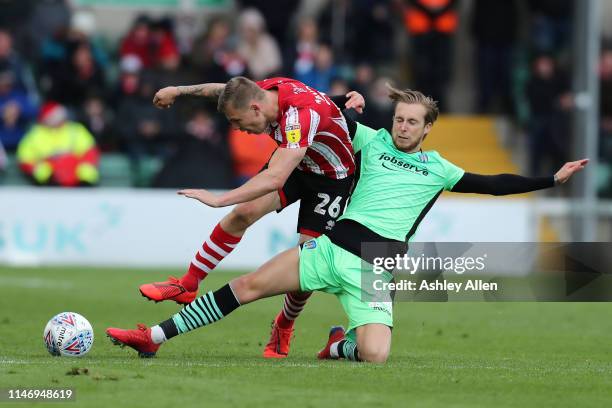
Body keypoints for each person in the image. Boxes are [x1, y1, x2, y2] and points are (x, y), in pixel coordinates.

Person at [107, 86, 587, 362]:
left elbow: (492, 183)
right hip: (330, 249)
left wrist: (550, 178)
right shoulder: (371, 140)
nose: (402, 127)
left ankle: (339, 346)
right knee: (247, 286)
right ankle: (152, 338)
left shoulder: (440, 168)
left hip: (375, 270)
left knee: (375, 356)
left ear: (426, 128)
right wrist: (344, 97)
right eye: (398, 118)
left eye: (412, 122)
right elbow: (322, 113)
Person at [140, 76, 364, 358]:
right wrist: (178, 89)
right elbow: (226, 91)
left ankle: (285, 324)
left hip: (332, 179)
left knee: (308, 259)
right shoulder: (267, 90)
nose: (237, 128)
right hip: (297, 162)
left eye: (237, 121)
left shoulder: (297, 117)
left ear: (256, 109)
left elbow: (276, 177)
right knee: (243, 212)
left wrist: (220, 199)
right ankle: (188, 284)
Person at [17, 101, 99, 187]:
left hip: (77, 177)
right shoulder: (35, 134)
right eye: (52, 116)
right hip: (48, 180)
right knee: (42, 173)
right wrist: (49, 164)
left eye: (57, 115)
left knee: (87, 172)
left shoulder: (75, 130)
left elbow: (90, 151)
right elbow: (24, 158)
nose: (56, 118)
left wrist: (72, 162)